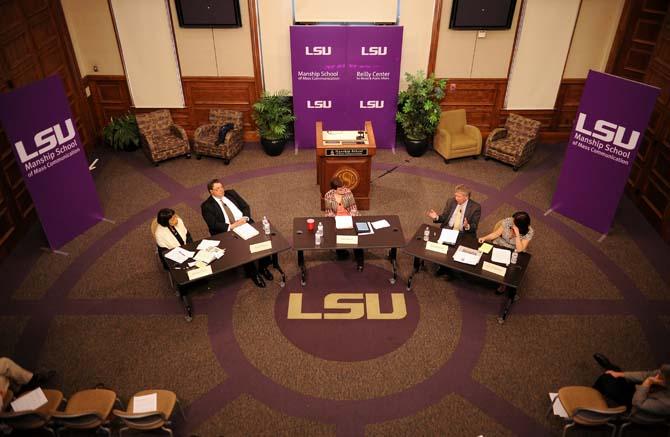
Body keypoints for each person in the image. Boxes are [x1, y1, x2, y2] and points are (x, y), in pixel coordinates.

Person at [200, 179, 272, 288]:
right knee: (243, 248)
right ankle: (253, 273)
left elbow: (245, 206)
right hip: (228, 230)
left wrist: (245, 218)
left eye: (221, 187)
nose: (221, 190)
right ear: (211, 191)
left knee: (260, 240)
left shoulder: (231, 193)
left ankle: (263, 267)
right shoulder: (206, 206)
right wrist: (232, 226)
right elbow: (213, 224)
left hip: (243, 222)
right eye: (217, 189)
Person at [427, 184, 481, 277]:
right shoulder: (451, 201)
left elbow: (474, 226)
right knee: (442, 248)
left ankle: (451, 269)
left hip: (463, 233)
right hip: (449, 229)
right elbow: (444, 217)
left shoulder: (475, 207)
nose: (456, 198)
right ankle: (444, 268)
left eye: (458, 196)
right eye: (455, 195)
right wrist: (436, 217)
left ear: (466, 197)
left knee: (456, 251)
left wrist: (467, 225)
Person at [592, 354, 670, 416]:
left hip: (636, 405)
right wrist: (620, 374)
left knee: (606, 380)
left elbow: (638, 403)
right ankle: (612, 369)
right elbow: (646, 375)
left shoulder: (667, 404)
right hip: (643, 389)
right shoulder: (667, 371)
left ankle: (593, 393)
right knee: (615, 374)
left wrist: (648, 382)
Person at [323, 177, 364, 271]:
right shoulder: (328, 195)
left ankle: (360, 261)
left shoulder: (348, 193)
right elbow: (329, 212)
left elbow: (353, 209)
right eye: (340, 189)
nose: (343, 190)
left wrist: (349, 219)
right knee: (336, 239)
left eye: (343, 187)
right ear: (334, 190)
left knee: (355, 240)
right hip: (336, 220)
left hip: (350, 218)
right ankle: (342, 253)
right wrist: (337, 220)